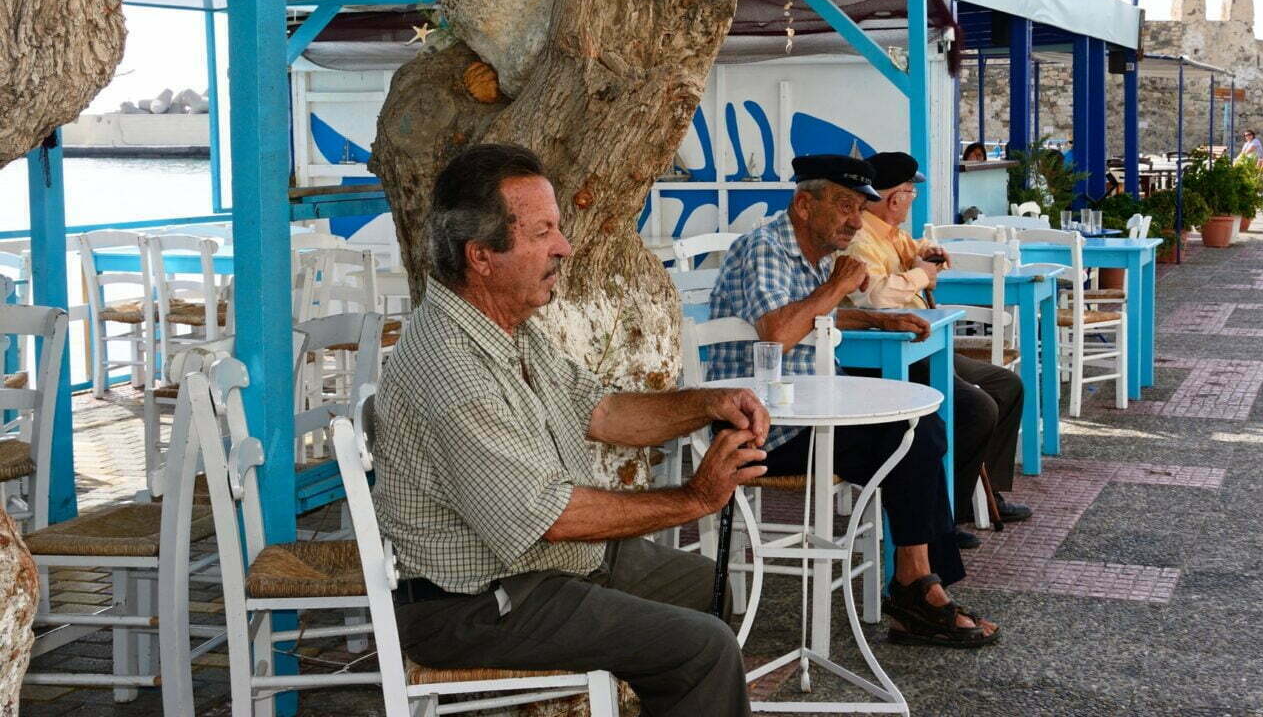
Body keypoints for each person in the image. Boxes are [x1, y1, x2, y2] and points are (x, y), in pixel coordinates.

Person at [374, 144, 765, 716]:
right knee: (702, 649)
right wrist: (694, 498)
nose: (564, 247)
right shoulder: (451, 369)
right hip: (472, 606)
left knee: (708, 589)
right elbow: (551, 517)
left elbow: (603, 412)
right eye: (542, 233)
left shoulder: (505, 327)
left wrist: (711, 402)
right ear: (481, 256)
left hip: (539, 571)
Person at [707, 154, 1000, 649]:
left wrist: (876, 320)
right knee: (914, 438)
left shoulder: (813, 252)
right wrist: (839, 285)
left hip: (810, 415)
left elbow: (818, 320)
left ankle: (920, 586)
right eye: (845, 205)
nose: (854, 219)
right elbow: (778, 332)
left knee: (919, 428)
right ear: (804, 204)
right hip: (761, 429)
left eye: (860, 207)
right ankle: (918, 592)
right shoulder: (765, 248)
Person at [839, 151, 1031, 535]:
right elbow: (874, 298)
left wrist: (928, 256)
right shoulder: (861, 242)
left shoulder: (892, 235)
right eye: (911, 192)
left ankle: (987, 493)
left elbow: (916, 253)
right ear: (896, 198)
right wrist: (920, 277)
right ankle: (945, 516)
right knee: (976, 408)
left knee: (1006, 385)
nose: (913, 199)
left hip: (928, 345)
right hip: (888, 355)